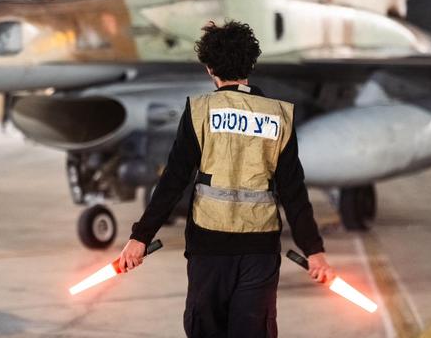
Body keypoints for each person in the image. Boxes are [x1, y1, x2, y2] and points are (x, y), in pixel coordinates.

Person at [118, 20, 335, 338]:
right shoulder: (278, 116)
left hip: (209, 250)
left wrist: (140, 237)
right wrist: (313, 250)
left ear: (209, 67)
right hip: (259, 252)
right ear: (251, 63)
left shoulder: (199, 111)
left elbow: (174, 180)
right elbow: (293, 190)